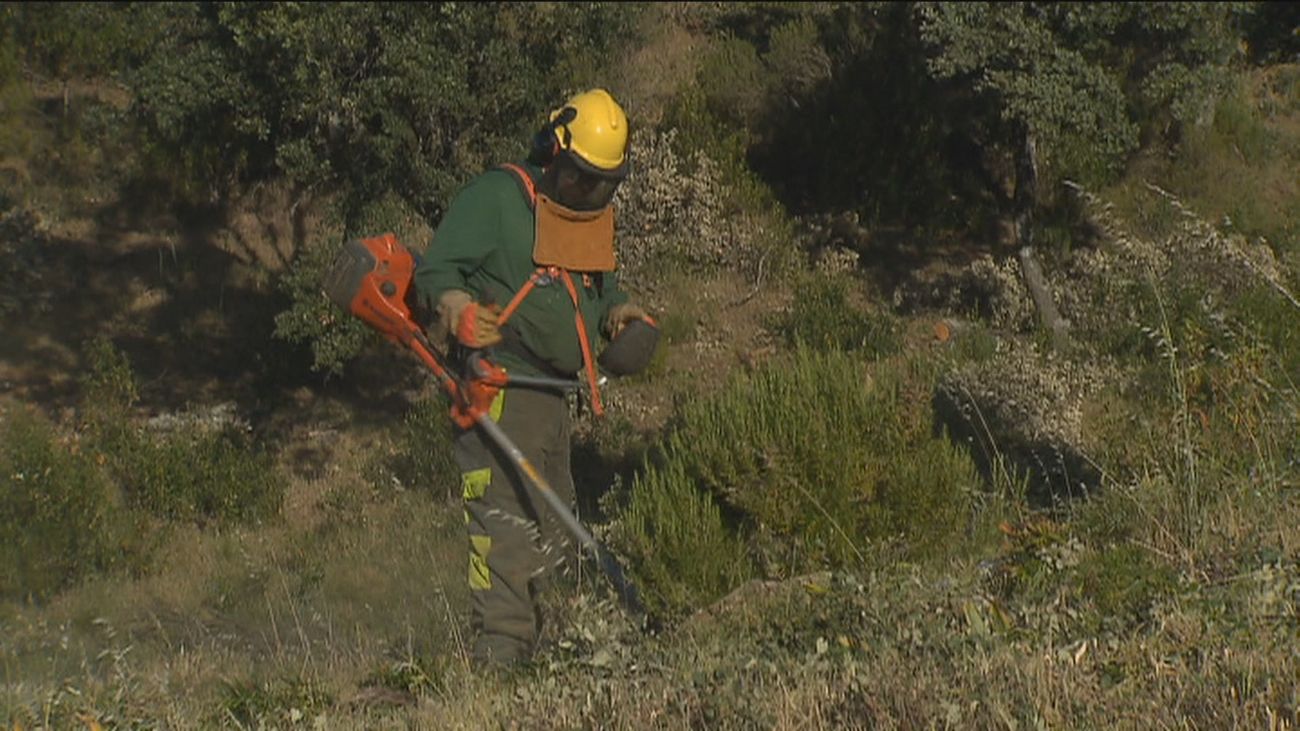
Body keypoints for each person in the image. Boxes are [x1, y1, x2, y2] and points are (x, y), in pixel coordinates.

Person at [412, 88, 651, 667]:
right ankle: (499, 668)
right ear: (552, 150)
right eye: (578, 178)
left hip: (551, 402)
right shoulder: (496, 198)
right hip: (499, 392)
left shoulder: (586, 217)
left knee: (558, 535)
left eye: (603, 184)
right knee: (505, 533)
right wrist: (456, 307)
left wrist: (620, 314)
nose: (589, 194)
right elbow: (434, 272)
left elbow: (597, 290)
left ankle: (551, 663)